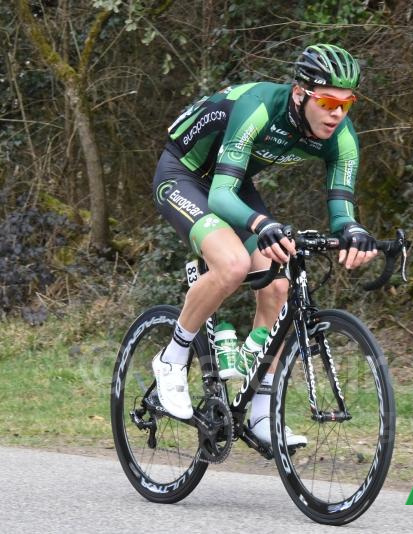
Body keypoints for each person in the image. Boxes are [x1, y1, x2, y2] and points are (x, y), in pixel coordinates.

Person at [150, 44, 377, 447]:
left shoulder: (341, 137)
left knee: (278, 285)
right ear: (299, 93)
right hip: (184, 174)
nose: (337, 114)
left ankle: (260, 413)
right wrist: (262, 224)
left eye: (347, 104)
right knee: (233, 264)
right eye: (327, 102)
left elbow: (342, 210)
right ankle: (172, 357)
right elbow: (220, 196)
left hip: (232, 179)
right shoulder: (257, 107)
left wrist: (354, 232)